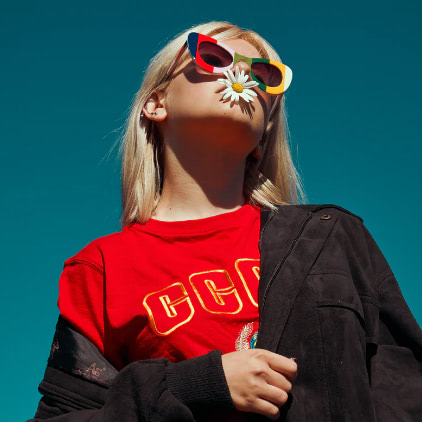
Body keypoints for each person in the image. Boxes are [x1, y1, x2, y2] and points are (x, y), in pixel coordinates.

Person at [29, 21, 422, 422]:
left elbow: (405, 393)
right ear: (156, 104)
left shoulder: (328, 238)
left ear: (266, 131)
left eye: (265, 75)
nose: (242, 76)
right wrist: (194, 385)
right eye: (213, 56)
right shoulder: (101, 268)